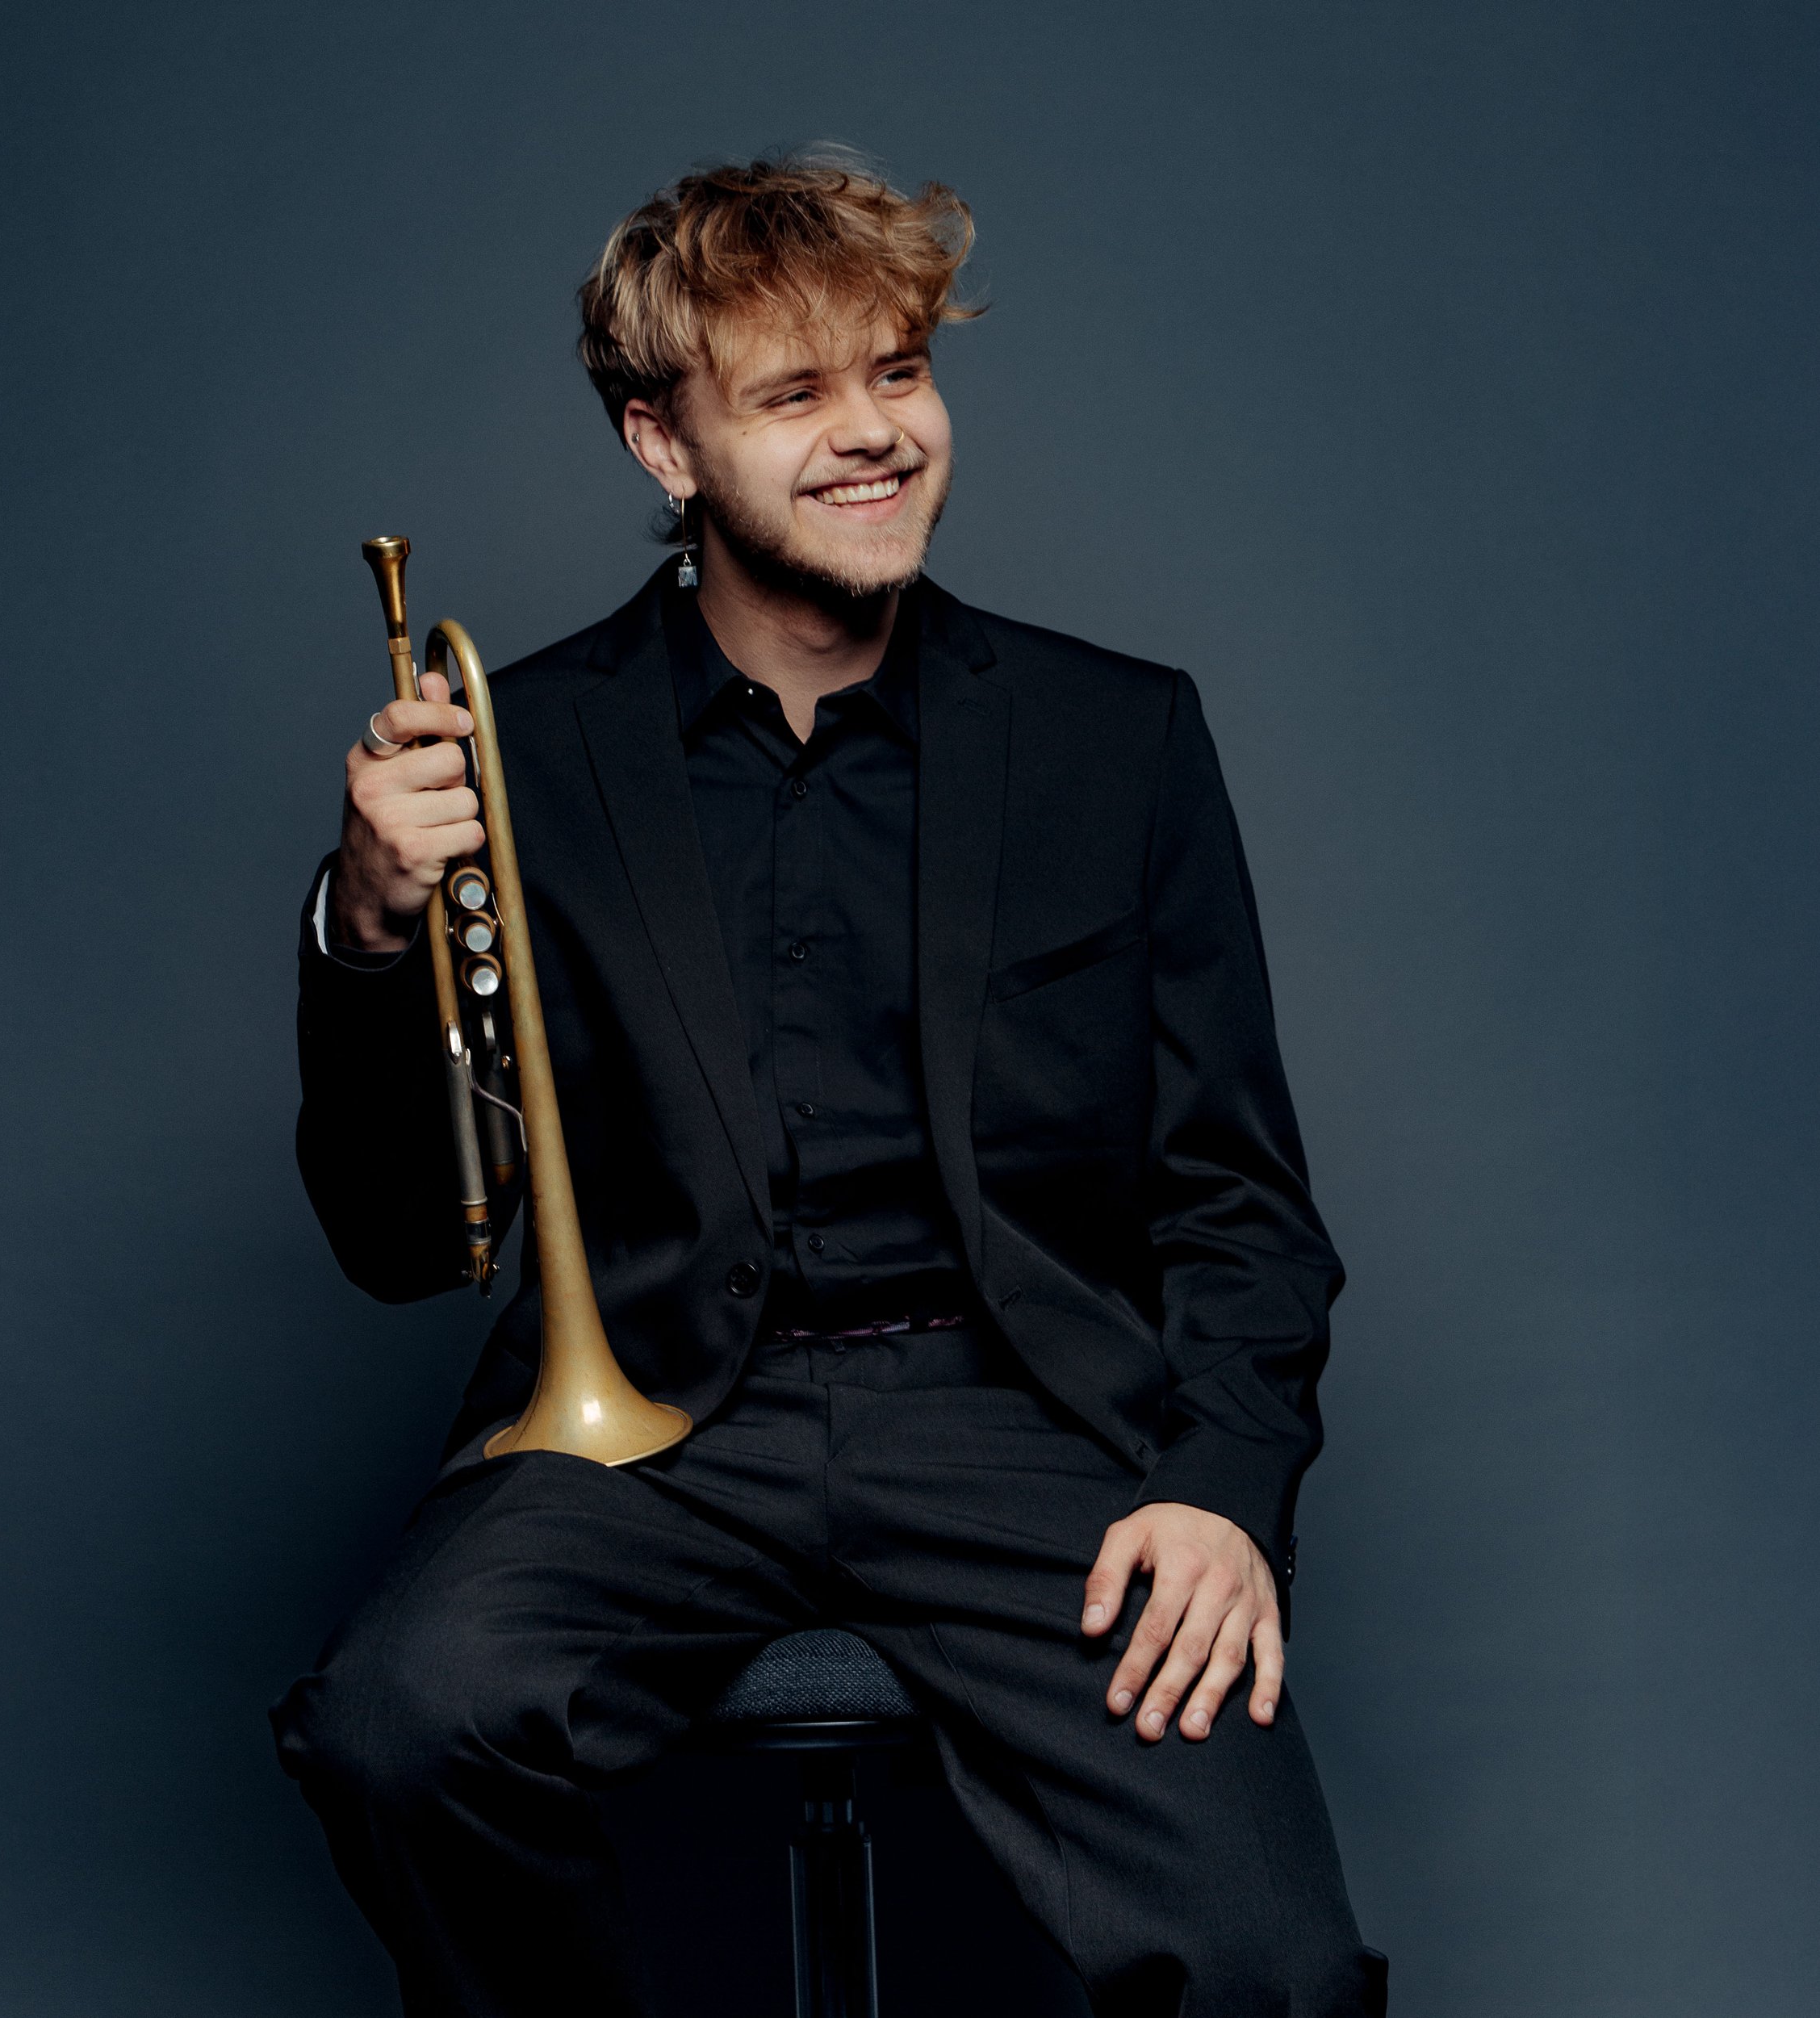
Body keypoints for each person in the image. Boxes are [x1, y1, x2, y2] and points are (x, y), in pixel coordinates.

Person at [273, 152, 1386, 2017]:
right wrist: (369, 927)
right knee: (399, 1723)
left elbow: (1236, 1198)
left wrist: (1218, 1484)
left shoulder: (1115, 735)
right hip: (650, 1433)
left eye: (897, 371)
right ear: (661, 443)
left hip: (1018, 1419)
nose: (871, 433)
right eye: (791, 393)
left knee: (1268, 1965)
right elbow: (399, 1244)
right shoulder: (514, 747)